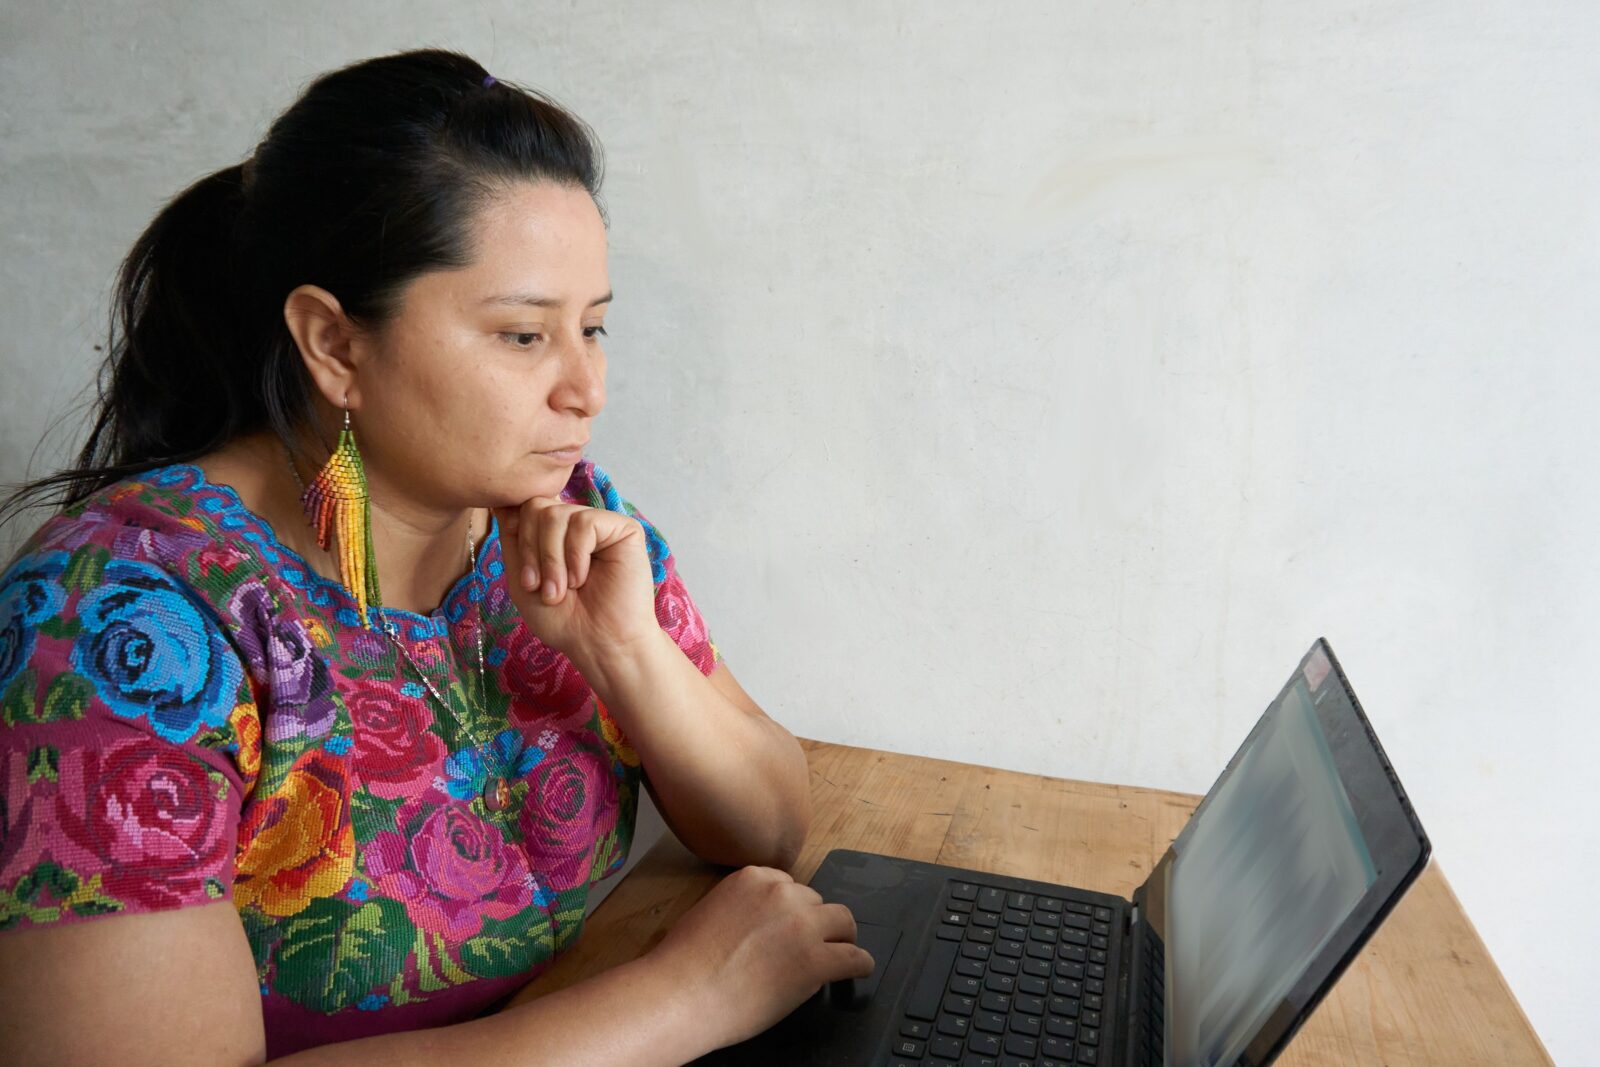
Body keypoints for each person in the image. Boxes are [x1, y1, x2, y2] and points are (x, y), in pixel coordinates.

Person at [0, 47, 873, 1066]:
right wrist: (684, 997)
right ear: (334, 344)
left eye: (592, 328)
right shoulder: (115, 622)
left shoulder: (562, 520)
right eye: (520, 336)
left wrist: (625, 652)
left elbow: (768, 826)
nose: (585, 387)